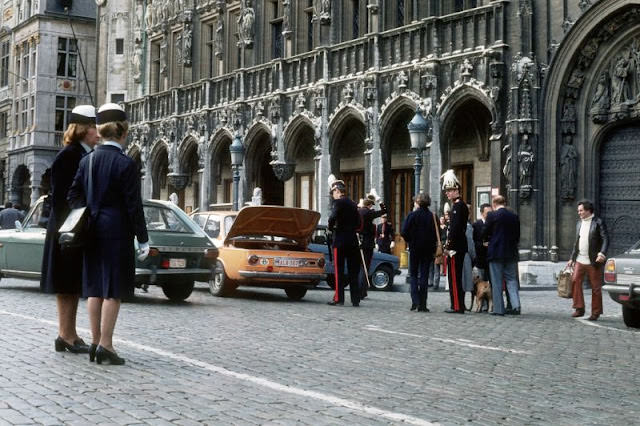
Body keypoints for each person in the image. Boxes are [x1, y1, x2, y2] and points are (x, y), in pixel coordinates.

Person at [68, 103, 149, 365]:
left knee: (94, 288)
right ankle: (107, 345)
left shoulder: (87, 160)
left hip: (92, 229)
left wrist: (87, 212)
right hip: (117, 231)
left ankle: (94, 341)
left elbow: (73, 195)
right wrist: (143, 238)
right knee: (113, 290)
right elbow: (134, 206)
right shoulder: (126, 163)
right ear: (123, 132)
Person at [40, 105, 98, 354]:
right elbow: (63, 196)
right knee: (66, 283)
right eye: (95, 126)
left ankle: (69, 333)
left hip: (72, 227)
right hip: (67, 227)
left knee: (72, 283)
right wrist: (73, 227)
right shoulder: (70, 155)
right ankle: (65, 334)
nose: (99, 132)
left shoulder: (83, 153)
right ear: (85, 129)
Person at [567, 199, 609, 321]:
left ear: (588, 210)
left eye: (581, 210)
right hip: (580, 259)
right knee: (575, 281)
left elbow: (606, 239)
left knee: (595, 287)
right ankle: (579, 308)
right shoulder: (579, 223)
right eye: (578, 210)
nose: (579, 213)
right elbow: (577, 242)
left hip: (593, 260)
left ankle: (595, 312)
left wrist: (602, 253)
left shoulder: (598, 222)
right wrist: (572, 258)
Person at [483, 195, 521, 316]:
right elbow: (517, 235)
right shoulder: (514, 216)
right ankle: (516, 306)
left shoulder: (492, 215)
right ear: (504, 203)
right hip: (511, 252)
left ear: (494, 204)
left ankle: (499, 309)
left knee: (497, 281)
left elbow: (485, 231)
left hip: (496, 252)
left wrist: (487, 239)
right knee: (511, 280)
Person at [327, 176, 361, 307]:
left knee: (339, 271)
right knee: (353, 271)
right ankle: (355, 299)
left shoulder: (338, 203)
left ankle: (339, 298)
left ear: (336, 191)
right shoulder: (353, 203)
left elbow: (332, 217)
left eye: (333, 193)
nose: (333, 196)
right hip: (353, 241)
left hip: (340, 240)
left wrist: (331, 228)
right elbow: (359, 223)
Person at [401, 192, 438, 312]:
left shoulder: (412, 215)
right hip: (428, 249)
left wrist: (410, 241)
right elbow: (436, 234)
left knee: (413, 275)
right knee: (424, 275)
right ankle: (423, 304)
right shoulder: (433, 216)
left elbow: (404, 231)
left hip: (415, 248)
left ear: (418, 202)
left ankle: (415, 301)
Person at [441, 170, 468, 314]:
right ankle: (458, 304)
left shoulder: (458, 206)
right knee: (455, 277)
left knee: (454, 278)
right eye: (447, 191)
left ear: (456, 190)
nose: (447, 193)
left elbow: (455, 229)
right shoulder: (458, 205)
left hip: (456, 247)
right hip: (458, 245)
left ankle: (457, 305)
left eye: (450, 190)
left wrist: (448, 245)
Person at [357, 195, 387, 299]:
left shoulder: (358, 211)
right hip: (367, 243)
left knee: (359, 267)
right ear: (369, 205)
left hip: (357, 242)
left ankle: (358, 290)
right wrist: (379, 200)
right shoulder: (369, 213)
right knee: (365, 267)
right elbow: (384, 211)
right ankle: (361, 291)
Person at [472, 203, 492, 282]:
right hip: (480, 258)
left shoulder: (493, 224)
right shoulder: (476, 225)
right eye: (487, 213)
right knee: (481, 282)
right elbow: (473, 241)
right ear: (481, 213)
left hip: (491, 258)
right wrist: (482, 244)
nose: (490, 215)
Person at [462, 205, 476, 311]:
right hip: (465, 255)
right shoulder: (467, 226)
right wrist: (473, 256)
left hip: (457, 254)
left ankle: (461, 302)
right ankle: (465, 303)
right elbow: (470, 244)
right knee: (466, 281)